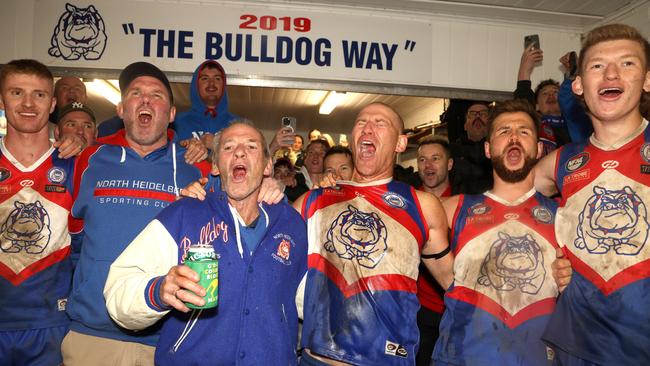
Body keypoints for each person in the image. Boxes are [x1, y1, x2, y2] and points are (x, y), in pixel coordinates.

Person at [104, 121, 307, 365]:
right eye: (229, 147)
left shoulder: (291, 224)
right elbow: (119, 288)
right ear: (215, 166)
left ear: (267, 166)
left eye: (251, 147)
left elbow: (311, 300)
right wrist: (158, 291)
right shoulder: (184, 214)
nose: (240, 152)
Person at [60, 61, 211, 366]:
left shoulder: (198, 167)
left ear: (170, 115)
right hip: (92, 337)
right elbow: (71, 241)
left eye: (156, 95)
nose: (145, 100)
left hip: (171, 341)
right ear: (121, 109)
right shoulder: (85, 160)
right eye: (135, 93)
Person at [294, 102, 453, 365]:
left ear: (400, 144)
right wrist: (267, 190)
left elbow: (455, 283)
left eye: (380, 123)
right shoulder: (314, 201)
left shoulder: (422, 206)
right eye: (361, 123)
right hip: (316, 359)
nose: (368, 128)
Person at [536, 23, 650, 365]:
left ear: (647, 79)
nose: (611, 73)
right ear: (579, 85)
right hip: (579, 346)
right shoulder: (559, 163)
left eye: (627, 63)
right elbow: (507, 208)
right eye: (597, 65)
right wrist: (549, 256)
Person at [433, 99, 560, 365]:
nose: (514, 137)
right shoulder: (452, 209)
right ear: (489, 149)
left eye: (523, 132)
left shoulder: (564, 217)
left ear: (538, 150)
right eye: (504, 131)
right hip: (462, 357)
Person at [0, 59, 85, 366]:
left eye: (38, 95)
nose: (27, 104)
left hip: (52, 325)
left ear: (51, 104)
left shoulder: (75, 164)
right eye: (16, 92)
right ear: (1, 98)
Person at [413, 135, 453, 366]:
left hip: (454, 309)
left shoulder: (465, 205)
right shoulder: (406, 203)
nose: (428, 165)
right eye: (422, 160)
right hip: (418, 313)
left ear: (449, 164)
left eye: (435, 159)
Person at [173, 60, 238, 149]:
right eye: (205, 78)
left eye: (217, 78)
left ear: (223, 85)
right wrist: (180, 149)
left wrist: (217, 145)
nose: (211, 84)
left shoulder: (238, 125)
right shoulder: (176, 123)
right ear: (195, 85)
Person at [449, 102, 493, 194]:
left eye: (483, 114)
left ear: (491, 124)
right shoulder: (451, 152)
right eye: (472, 114)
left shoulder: (499, 150)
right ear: (465, 126)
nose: (478, 117)